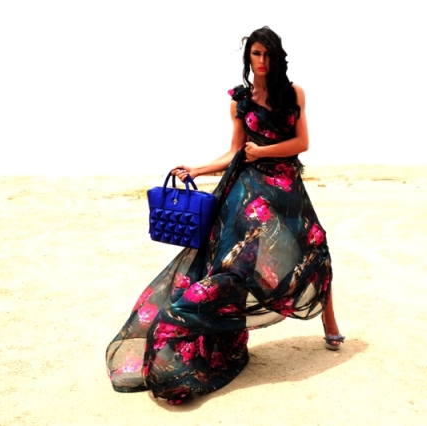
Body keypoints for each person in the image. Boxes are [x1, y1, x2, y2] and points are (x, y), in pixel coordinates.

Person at [105, 26, 343, 405]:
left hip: (287, 187)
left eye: (267, 54)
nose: (261, 61)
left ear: (277, 57)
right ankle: (217, 326)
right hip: (249, 193)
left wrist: (261, 152)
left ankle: (330, 323)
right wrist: (197, 169)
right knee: (243, 262)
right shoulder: (240, 102)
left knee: (314, 245)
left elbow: (301, 143)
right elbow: (235, 152)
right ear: (249, 57)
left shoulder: (293, 93)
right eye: (255, 54)